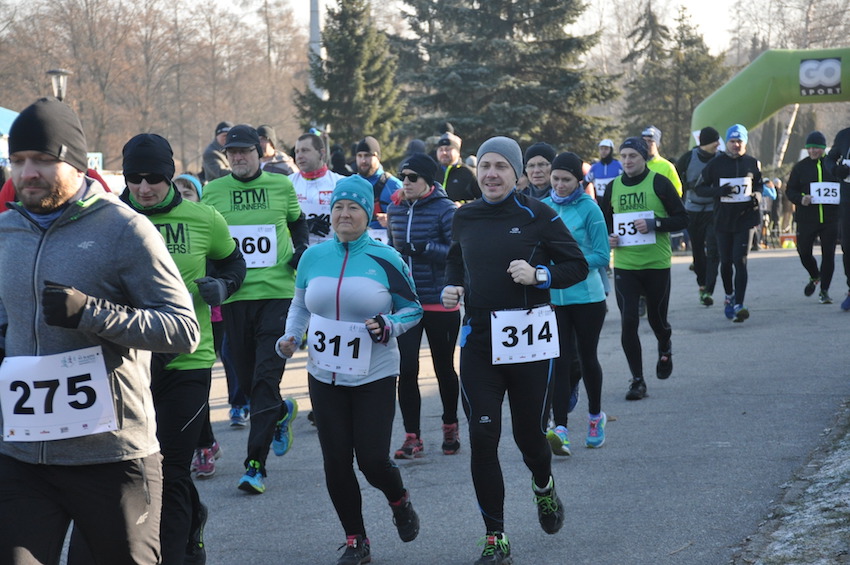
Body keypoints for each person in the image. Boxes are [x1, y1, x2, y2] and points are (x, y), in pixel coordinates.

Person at [0, 97, 200, 564]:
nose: (28, 173)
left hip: (112, 458)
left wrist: (92, 313)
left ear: (75, 163)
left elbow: (182, 329)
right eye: (18, 160)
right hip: (24, 456)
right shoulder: (5, 232)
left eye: (42, 160)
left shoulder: (124, 229)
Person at [441, 136, 588, 564]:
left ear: (517, 173)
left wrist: (540, 275)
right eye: (485, 166)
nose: (491, 174)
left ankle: (544, 486)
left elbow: (577, 265)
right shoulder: (465, 217)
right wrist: (453, 285)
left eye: (501, 166)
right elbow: (456, 260)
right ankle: (496, 537)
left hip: (529, 342)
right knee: (483, 437)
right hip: (479, 342)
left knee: (529, 438)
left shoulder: (538, 214)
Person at [113, 134, 246, 564]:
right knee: (134, 473)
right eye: (134, 178)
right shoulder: (109, 218)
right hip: (125, 366)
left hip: (188, 362)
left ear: (170, 176)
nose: (143, 188)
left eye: (153, 178)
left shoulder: (203, 217)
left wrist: (223, 285)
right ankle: (192, 518)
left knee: (170, 471)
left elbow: (233, 261)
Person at [276, 175, 423, 565]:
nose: (344, 214)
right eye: (338, 206)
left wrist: (389, 325)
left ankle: (399, 500)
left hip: (374, 374)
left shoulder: (386, 258)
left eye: (353, 207)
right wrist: (291, 336)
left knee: (372, 461)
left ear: (367, 213)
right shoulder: (313, 257)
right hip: (324, 375)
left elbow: (412, 309)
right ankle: (356, 539)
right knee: (336, 461)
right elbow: (300, 305)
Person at [202, 124, 307, 494]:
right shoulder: (213, 191)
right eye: (232, 153)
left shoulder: (281, 185)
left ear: (259, 153)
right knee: (246, 381)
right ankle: (278, 412)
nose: (238, 158)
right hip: (235, 296)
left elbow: (297, 223)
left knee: (265, 378)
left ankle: (255, 466)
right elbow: (207, 240)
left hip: (278, 294)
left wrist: (300, 251)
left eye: (245, 151)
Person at [600, 137, 688, 401]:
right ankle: (637, 380)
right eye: (623, 156)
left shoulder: (659, 183)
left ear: (643, 158)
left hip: (656, 264)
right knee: (628, 321)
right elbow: (604, 223)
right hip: (626, 265)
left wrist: (655, 224)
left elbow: (682, 218)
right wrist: (609, 237)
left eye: (633, 156)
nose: (627, 161)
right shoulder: (613, 187)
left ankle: (665, 344)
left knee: (657, 320)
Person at [385, 153, 461, 459]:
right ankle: (412, 437)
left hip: (440, 301)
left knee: (444, 368)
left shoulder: (446, 209)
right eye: (403, 176)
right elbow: (391, 250)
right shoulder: (395, 208)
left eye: (412, 177)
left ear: (428, 181)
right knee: (406, 369)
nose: (405, 182)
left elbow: (457, 252)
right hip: (406, 303)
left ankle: (450, 427)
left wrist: (426, 248)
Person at [541, 152, 610, 454]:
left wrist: (569, 266)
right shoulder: (544, 206)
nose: (560, 185)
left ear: (578, 181)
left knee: (586, 357)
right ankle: (561, 428)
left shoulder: (589, 208)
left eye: (566, 180)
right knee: (558, 361)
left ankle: (595, 417)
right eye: (555, 179)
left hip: (587, 297)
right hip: (554, 297)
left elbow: (602, 255)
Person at [694, 124, 763, 322]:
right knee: (725, 262)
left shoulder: (752, 163)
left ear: (745, 143)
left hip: (746, 219)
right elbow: (699, 188)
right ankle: (729, 295)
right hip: (723, 220)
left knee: (740, 261)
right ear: (727, 143)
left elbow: (759, 185)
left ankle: (739, 304)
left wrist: (757, 197)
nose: (736, 145)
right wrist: (718, 191)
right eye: (732, 141)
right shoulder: (716, 164)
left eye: (739, 141)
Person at [786, 131, 840, 304]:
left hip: (830, 219)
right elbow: (790, 190)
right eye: (809, 148)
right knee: (803, 252)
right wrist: (801, 198)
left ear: (823, 148)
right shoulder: (800, 167)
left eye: (816, 148)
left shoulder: (832, 165)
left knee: (828, 255)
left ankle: (824, 291)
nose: (812, 151)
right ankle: (814, 275)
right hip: (807, 218)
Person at [676, 126, 721, 306]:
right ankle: (702, 283)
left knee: (713, 251)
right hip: (692, 209)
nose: (718, 144)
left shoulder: (720, 158)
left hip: (714, 209)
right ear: (705, 142)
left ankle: (708, 290)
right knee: (698, 252)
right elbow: (675, 180)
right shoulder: (688, 158)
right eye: (715, 141)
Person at [290, 132, 344, 246]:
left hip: (333, 250)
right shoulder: (288, 183)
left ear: (321, 153)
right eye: (297, 151)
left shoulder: (340, 183)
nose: (299, 156)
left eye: (305, 150)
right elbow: (276, 224)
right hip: (298, 251)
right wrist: (304, 225)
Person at [823, 126, 850, 310]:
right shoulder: (844, 135)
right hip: (848, 199)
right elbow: (829, 159)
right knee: (847, 246)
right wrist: (836, 170)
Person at [354, 136, 402, 234]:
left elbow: (409, 217)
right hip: (356, 240)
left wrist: (391, 220)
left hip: (384, 240)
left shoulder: (393, 185)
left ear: (378, 157)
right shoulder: (351, 184)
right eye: (359, 156)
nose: (363, 160)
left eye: (367, 155)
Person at [435, 131, 480, 203]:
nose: (444, 153)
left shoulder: (468, 173)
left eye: (448, 149)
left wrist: (463, 204)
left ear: (458, 152)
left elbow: (482, 200)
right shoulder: (432, 172)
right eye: (441, 150)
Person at [642, 125, 684, 196]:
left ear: (657, 144)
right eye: (644, 141)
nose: (646, 144)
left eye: (650, 141)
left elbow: (677, 192)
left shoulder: (667, 167)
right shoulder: (635, 165)